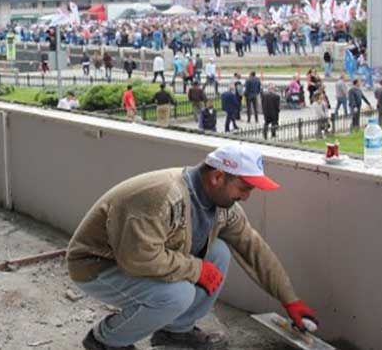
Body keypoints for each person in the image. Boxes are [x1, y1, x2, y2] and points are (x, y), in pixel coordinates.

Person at [67, 144, 318, 350]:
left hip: (136, 258)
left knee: (218, 251)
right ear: (218, 177)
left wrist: (289, 300)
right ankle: (105, 340)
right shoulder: (162, 196)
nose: (246, 196)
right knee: (177, 295)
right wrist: (196, 269)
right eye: (244, 188)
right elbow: (138, 258)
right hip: (98, 264)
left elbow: (254, 250)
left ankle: (176, 332)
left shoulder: (222, 206)